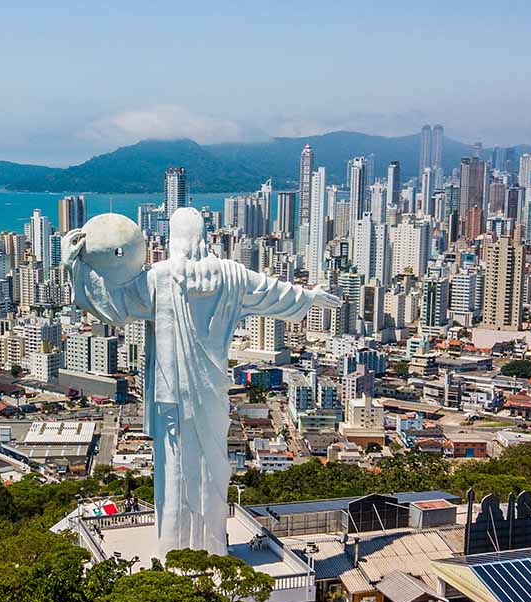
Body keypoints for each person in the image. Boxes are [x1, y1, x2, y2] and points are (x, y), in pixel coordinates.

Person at [66, 207, 340, 557]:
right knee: (212, 464)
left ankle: (174, 549)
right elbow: (274, 292)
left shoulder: (160, 277)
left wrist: (77, 265)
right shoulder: (231, 276)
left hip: (172, 397)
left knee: (175, 468)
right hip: (212, 392)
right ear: (204, 237)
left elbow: (115, 304)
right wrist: (309, 296)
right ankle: (211, 548)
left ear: (173, 240)